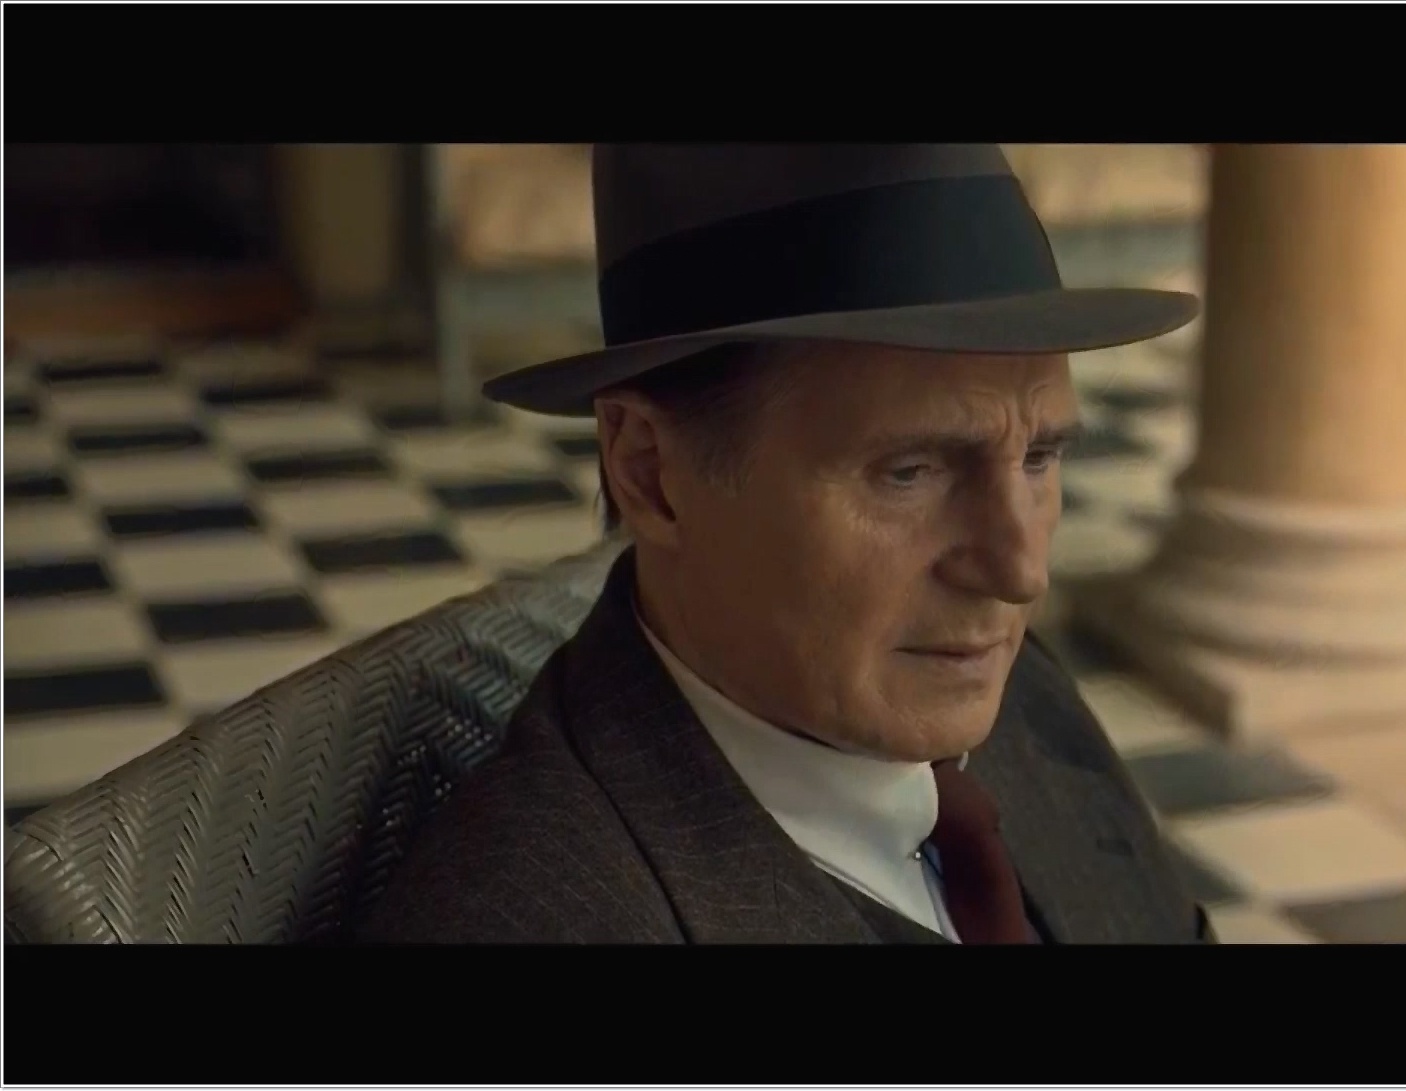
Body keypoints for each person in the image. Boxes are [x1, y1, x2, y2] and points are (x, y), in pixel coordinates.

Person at [357, 144, 1216, 943]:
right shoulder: (530, 917)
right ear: (650, 473)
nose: (1019, 571)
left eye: (1038, 457)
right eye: (910, 471)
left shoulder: (1023, 694)